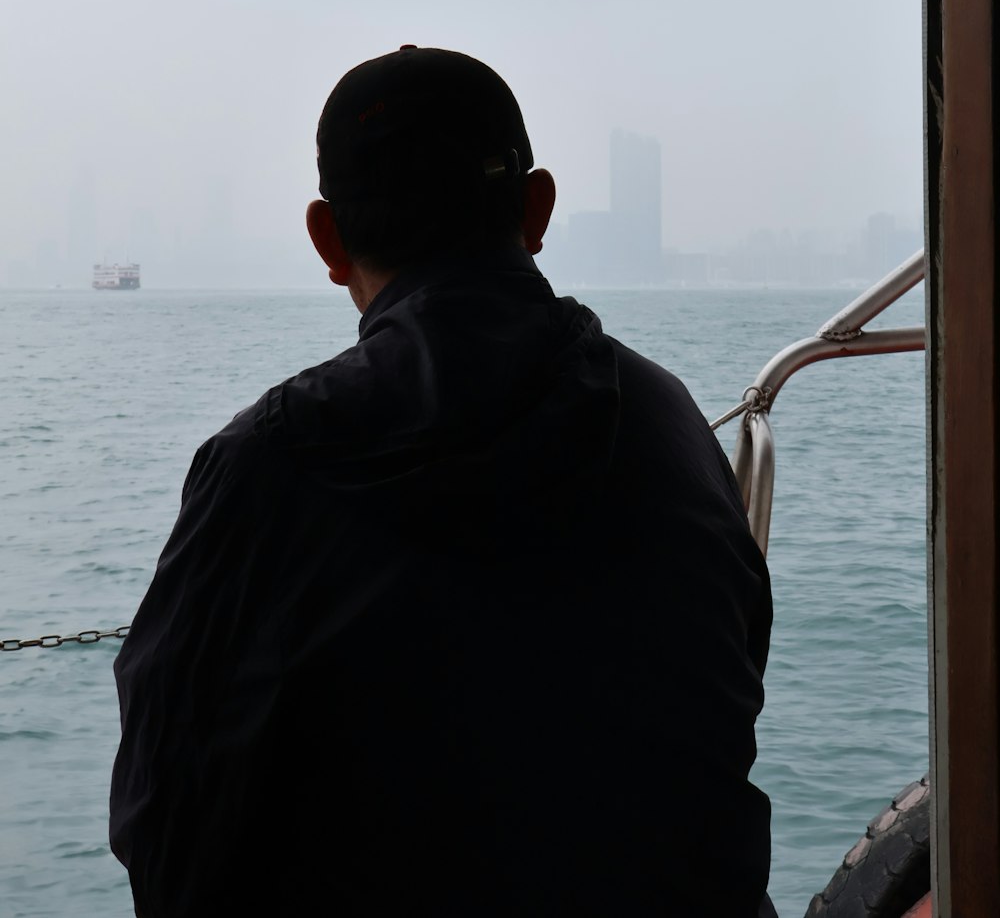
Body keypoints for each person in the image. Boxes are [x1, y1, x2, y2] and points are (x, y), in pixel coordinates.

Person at [110, 45, 773, 917]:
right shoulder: (669, 419)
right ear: (537, 210)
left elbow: (171, 819)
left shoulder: (266, 466)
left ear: (327, 239)